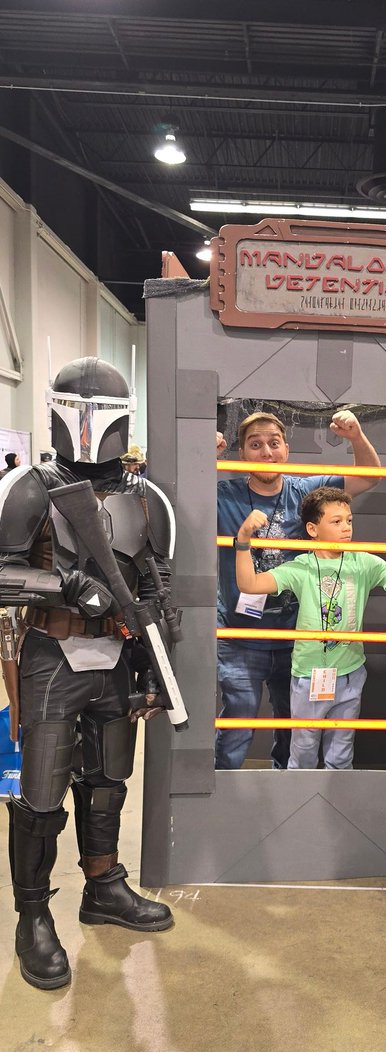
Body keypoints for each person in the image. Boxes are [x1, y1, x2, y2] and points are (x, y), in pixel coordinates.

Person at [0, 356, 176, 990]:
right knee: (43, 794)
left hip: (119, 658)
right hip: (53, 653)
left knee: (107, 782)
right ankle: (32, 916)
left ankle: (102, 886)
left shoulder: (145, 497)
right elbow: (2, 572)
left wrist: (155, 670)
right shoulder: (29, 487)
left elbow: (156, 589)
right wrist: (66, 584)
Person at [216, 409, 381, 770]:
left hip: (297, 639)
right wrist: (204, 457)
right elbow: (181, 499)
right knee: (236, 726)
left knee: (293, 730)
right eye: (255, 445)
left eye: (273, 443)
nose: (266, 452)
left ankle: (285, 796)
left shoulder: (305, 490)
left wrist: (355, 436)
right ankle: (219, 809)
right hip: (239, 634)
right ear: (242, 453)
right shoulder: (222, 494)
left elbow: (369, 478)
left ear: (286, 449)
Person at [235, 486, 386, 769]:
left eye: (349, 520)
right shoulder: (302, 567)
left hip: (350, 674)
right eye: (336, 522)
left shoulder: (362, 562)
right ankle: (302, 806)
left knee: (341, 751)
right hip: (310, 675)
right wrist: (243, 541)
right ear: (313, 529)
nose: (346, 527)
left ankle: (334, 807)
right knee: (303, 751)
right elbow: (250, 585)